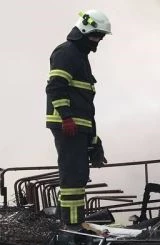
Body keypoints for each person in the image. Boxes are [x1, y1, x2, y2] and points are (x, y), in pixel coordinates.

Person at [46, 10, 111, 230]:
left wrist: (94, 141)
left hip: (77, 128)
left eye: (101, 37)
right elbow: (55, 87)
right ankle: (72, 226)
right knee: (73, 178)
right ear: (83, 30)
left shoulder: (80, 58)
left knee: (78, 175)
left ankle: (72, 223)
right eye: (95, 36)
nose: (98, 41)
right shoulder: (66, 53)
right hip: (68, 127)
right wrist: (66, 118)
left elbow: (86, 107)